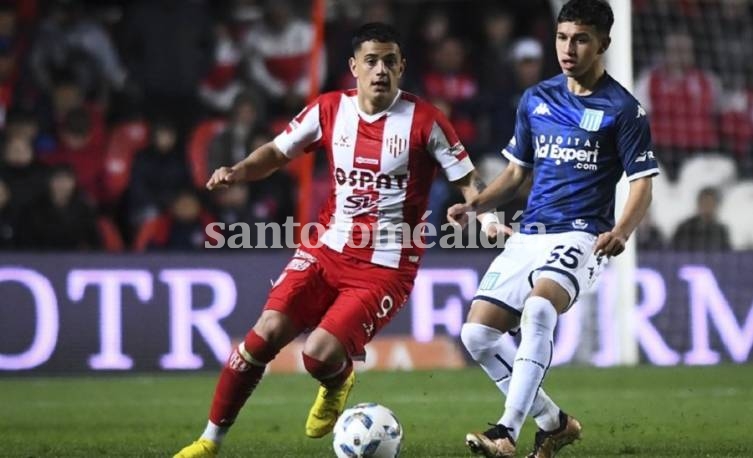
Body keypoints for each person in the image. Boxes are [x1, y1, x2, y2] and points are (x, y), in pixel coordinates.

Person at [174, 22, 501, 458]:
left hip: (384, 267)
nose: (380, 69)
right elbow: (276, 152)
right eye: (371, 60)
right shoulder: (328, 110)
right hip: (326, 248)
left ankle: (337, 379)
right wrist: (238, 170)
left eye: (389, 61)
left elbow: (469, 179)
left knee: (317, 354)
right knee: (263, 334)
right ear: (353, 67)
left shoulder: (426, 121)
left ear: (402, 67)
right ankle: (208, 442)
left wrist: (490, 216)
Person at [447, 1, 659, 457]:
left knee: (540, 310)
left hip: (583, 235)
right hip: (531, 232)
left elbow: (643, 184)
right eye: (563, 37)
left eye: (581, 39)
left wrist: (621, 230)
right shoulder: (536, 99)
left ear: (603, 43)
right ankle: (555, 423)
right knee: (476, 336)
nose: (569, 48)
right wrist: (477, 204)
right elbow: (517, 173)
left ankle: (506, 432)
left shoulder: (623, 109)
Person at [672, 187, 731, 251]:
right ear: (698, 204)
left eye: (711, 203)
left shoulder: (721, 231)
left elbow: (726, 255)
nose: (708, 206)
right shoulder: (684, 228)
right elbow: (672, 253)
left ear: (716, 205)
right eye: (705, 202)